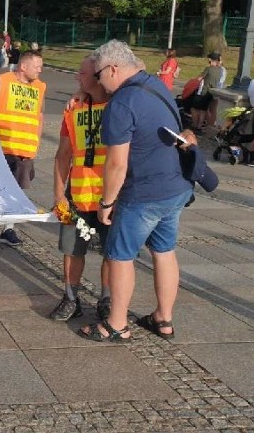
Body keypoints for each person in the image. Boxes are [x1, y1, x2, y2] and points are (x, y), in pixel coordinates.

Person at [78, 40, 192, 343]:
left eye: (100, 76)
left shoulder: (122, 102)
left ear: (113, 69)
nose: (100, 82)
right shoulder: (155, 85)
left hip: (143, 194)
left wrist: (107, 201)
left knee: (119, 256)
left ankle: (117, 323)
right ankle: (163, 318)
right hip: (174, 187)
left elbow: (116, 164)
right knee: (164, 251)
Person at [50, 57, 111, 321]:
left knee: (112, 252)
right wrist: (58, 194)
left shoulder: (117, 105)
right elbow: (63, 155)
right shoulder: (73, 108)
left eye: (82, 73)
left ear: (98, 76)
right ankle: (71, 298)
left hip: (111, 197)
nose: (77, 77)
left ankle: (107, 300)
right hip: (78, 194)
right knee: (72, 249)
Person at [0, 49, 46, 247]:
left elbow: (39, 116)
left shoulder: (40, 87)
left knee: (16, 191)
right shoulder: (2, 81)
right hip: (1, 146)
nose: (40, 70)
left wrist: (37, 141)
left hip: (25, 149)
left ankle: (8, 228)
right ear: (23, 66)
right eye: (37, 66)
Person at [191, 52, 224, 131]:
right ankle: (199, 126)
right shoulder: (220, 70)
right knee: (203, 110)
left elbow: (199, 78)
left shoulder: (208, 69)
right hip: (211, 93)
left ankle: (195, 124)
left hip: (203, 91)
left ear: (211, 60)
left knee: (194, 109)